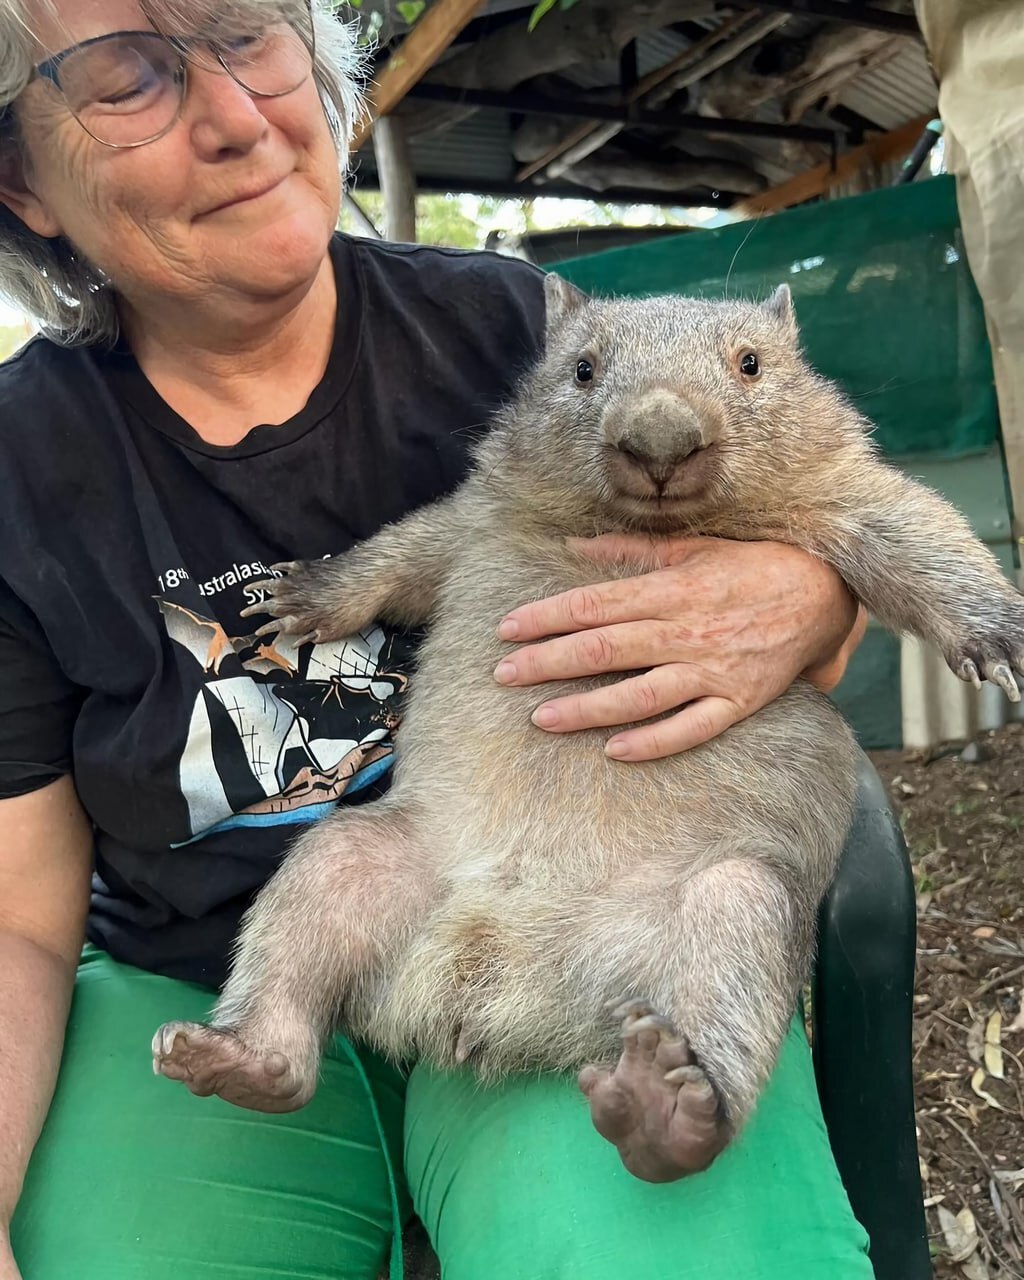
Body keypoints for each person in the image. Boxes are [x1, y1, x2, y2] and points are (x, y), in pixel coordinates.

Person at [0, 2, 873, 1277]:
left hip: (590, 937)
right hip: (207, 977)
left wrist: (817, 583)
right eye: (125, 77)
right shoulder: (22, 470)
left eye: (249, 35)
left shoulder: (539, 340)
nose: (241, 121)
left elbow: (796, 507)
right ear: (21, 176)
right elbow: (20, 915)